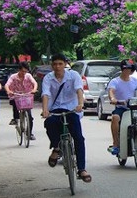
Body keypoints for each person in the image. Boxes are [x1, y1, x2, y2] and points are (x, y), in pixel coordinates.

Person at [42, 53, 92, 183]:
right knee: (49, 123)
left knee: (79, 138)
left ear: (65, 64)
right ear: (52, 65)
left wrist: (80, 104)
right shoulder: (48, 78)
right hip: (55, 110)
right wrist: (45, 110)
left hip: (72, 109)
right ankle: (57, 148)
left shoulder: (73, 75)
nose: (57, 66)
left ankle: (82, 169)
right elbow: (46, 94)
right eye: (55, 64)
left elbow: (79, 90)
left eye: (60, 64)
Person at [107, 59, 137, 155]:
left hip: (135, 108)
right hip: (121, 108)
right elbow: (111, 92)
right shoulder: (115, 81)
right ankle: (115, 143)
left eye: (130, 69)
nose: (128, 71)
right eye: (126, 68)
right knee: (115, 118)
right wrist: (113, 99)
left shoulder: (136, 81)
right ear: (122, 69)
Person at [4, 61, 38, 140]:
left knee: (29, 116)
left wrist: (34, 89)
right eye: (22, 71)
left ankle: (29, 133)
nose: (24, 73)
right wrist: (8, 91)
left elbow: (35, 83)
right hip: (17, 95)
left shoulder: (28, 76)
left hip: (27, 95)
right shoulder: (13, 77)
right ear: (19, 70)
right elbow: (7, 85)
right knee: (14, 103)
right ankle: (15, 119)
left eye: (25, 71)